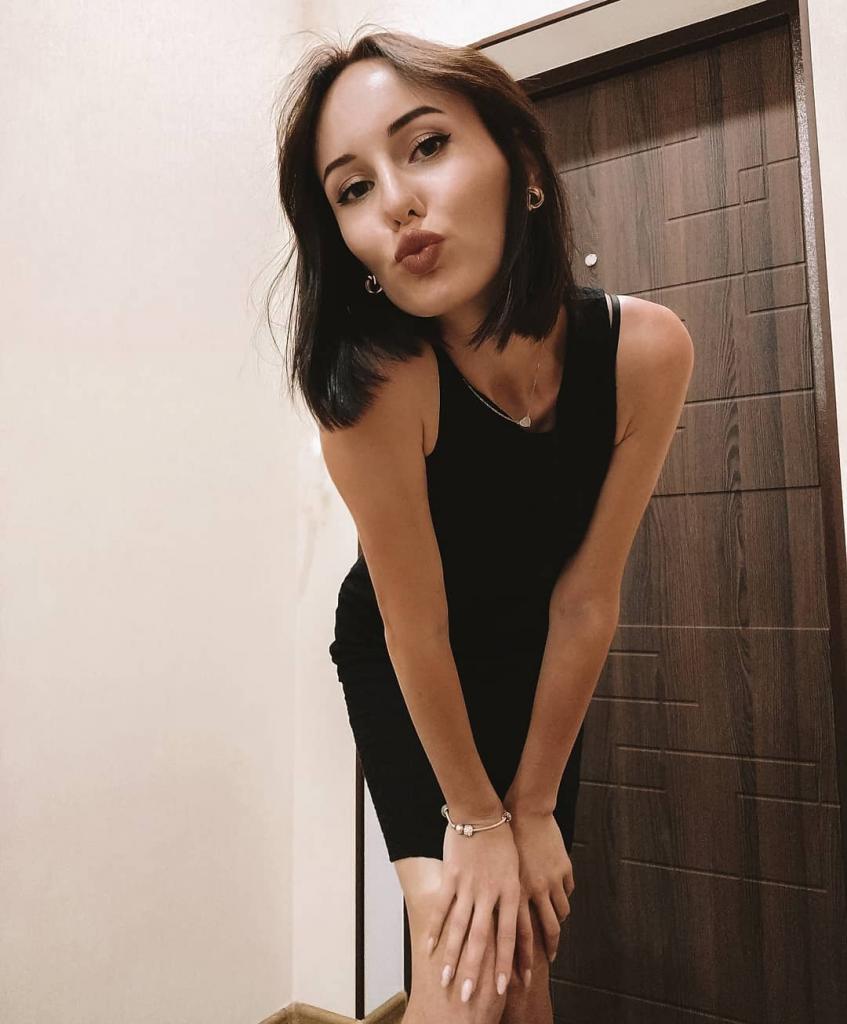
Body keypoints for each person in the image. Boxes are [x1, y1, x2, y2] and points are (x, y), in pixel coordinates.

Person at [268, 26, 693, 1024]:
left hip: (534, 658)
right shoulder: (376, 391)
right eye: (351, 189)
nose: (395, 202)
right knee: (472, 960)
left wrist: (532, 806)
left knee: (524, 951)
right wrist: (473, 816)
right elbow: (411, 627)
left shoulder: (644, 353)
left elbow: (585, 599)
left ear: (524, 168)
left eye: (425, 146)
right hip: (405, 657)